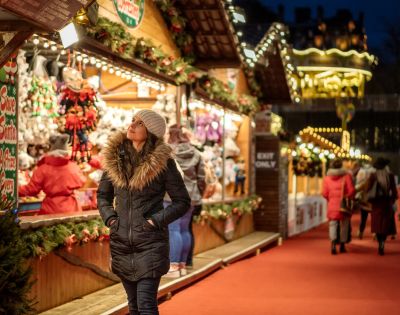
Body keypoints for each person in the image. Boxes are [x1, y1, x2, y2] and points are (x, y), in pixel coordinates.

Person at [97, 109, 191, 315]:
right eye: (133, 120)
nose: (132, 125)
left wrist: (154, 222)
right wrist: (111, 219)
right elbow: (103, 196)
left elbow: (182, 201)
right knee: (133, 306)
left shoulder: (163, 163)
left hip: (151, 243)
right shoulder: (115, 160)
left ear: (150, 132)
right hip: (121, 243)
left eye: (139, 123)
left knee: (146, 304)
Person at [164, 125, 206, 277]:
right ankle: (182, 264)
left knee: (173, 229)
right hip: (192, 197)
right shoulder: (196, 153)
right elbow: (202, 178)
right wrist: (197, 194)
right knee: (184, 229)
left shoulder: (167, 152)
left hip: (172, 197)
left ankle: (173, 266)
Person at [19, 133, 86, 215]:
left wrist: (14, 190)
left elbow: (31, 190)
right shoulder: (73, 167)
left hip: (50, 209)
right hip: (72, 209)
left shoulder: (42, 169)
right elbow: (82, 181)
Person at [322, 158, 355, 255]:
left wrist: (330, 198)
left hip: (332, 204)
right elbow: (351, 190)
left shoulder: (327, 178)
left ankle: (333, 244)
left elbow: (324, 193)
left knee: (333, 224)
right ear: (341, 166)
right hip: (343, 205)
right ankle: (342, 245)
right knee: (344, 224)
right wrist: (347, 197)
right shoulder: (346, 176)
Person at [367, 157, 398, 256]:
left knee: (377, 223)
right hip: (386, 203)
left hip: (376, 203)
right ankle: (382, 243)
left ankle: (379, 240)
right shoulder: (390, 176)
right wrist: (392, 200)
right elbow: (394, 191)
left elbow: (368, 189)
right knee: (385, 224)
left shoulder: (373, 175)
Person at [355, 161, 375, 239]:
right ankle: (374, 233)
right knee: (374, 217)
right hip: (372, 197)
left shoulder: (361, 171)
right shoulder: (374, 171)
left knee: (363, 217)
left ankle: (360, 232)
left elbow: (358, 183)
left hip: (363, 197)